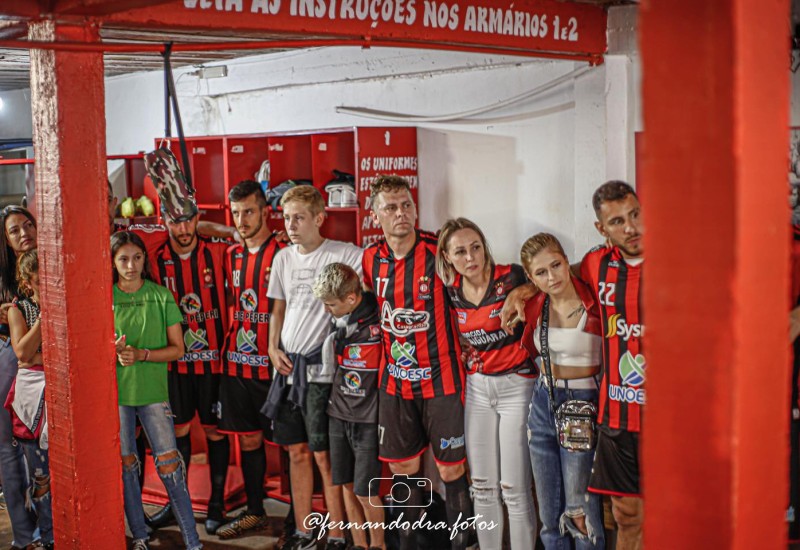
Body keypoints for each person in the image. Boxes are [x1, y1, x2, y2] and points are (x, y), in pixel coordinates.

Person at [362, 176, 472, 550]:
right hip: (395, 385)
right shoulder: (370, 258)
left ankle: (462, 544)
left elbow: (479, 276)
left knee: (451, 468)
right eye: (391, 207)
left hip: (442, 381)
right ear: (375, 214)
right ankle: (411, 542)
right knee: (403, 468)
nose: (400, 213)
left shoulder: (439, 249)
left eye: (406, 204)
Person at [266, 185, 362, 550]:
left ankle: (338, 534)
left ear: (319, 218)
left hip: (322, 375)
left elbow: (374, 268)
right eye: (287, 217)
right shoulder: (282, 259)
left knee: (325, 455)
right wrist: (272, 348)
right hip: (287, 369)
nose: (291, 225)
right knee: (296, 451)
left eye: (299, 218)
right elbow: (278, 309)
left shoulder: (343, 254)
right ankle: (305, 530)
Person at [435, 218, 536, 550]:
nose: (470, 256)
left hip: (517, 386)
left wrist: (524, 290)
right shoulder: (451, 293)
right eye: (460, 251)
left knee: (514, 488)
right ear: (448, 258)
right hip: (478, 388)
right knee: (481, 485)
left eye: (475, 246)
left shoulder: (511, 276)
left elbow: (546, 280)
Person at [111, 231, 202, 550]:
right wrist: (113, 351)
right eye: (123, 258)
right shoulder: (104, 297)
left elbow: (178, 349)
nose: (131, 265)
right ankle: (139, 535)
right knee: (126, 466)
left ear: (144, 260)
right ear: (112, 262)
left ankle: (193, 541)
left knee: (169, 464)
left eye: (136, 258)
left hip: (153, 393)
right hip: (116, 397)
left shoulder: (161, 295)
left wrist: (143, 354)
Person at [518, 233, 604, 549]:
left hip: (584, 401)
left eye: (556, 265)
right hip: (544, 399)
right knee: (549, 513)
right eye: (541, 272)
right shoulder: (534, 305)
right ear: (530, 277)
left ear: (567, 261)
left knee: (580, 511)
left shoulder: (594, 300)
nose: (552, 277)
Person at [151, 204, 232, 535]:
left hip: (214, 363)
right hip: (175, 365)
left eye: (188, 220)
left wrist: (225, 230)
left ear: (198, 220)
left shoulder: (218, 253)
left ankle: (217, 504)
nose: (182, 229)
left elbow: (242, 238)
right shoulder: (154, 256)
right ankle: (176, 503)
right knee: (179, 433)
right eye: (174, 220)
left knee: (215, 432)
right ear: (164, 221)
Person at [214, 180, 284, 539]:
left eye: (249, 211)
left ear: (265, 212)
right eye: (236, 213)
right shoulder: (231, 255)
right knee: (249, 441)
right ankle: (255, 512)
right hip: (236, 366)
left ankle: (301, 520)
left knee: (291, 445)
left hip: (274, 368)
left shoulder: (284, 252)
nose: (242, 220)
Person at [312, 263, 385, 550]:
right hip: (337, 413)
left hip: (368, 418)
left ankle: (379, 545)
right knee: (344, 484)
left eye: (331, 305)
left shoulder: (377, 323)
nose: (327, 311)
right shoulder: (338, 321)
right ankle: (359, 545)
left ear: (351, 299)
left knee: (365, 492)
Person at [6, 250, 53, 550]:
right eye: (40, 275)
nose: (47, 279)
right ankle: (49, 536)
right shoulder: (18, 308)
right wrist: (45, 315)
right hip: (30, 399)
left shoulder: (65, 299)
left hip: (59, 394)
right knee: (40, 476)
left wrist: (40, 356)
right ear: (27, 280)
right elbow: (22, 354)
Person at [0, 206, 40, 550]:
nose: (24, 232)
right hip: (12, 364)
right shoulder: (5, 280)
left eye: (29, 224)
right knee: (10, 449)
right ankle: (25, 535)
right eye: (15, 230)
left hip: (44, 366)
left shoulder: (52, 263)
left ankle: (49, 529)